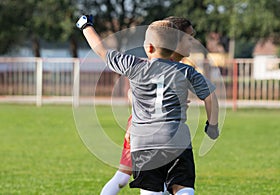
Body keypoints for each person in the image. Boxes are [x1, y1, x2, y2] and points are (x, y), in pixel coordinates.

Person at [76, 15, 219, 195]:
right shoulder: (186, 71)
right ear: (175, 47)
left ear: (149, 47)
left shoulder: (134, 66)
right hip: (177, 140)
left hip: (144, 143)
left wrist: (85, 25)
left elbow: (102, 51)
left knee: (151, 191)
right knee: (183, 187)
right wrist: (212, 126)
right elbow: (210, 97)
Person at [100, 16, 198, 195]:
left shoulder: (180, 68)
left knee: (167, 184)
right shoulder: (155, 65)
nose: (192, 42)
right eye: (189, 37)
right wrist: (131, 126)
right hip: (144, 132)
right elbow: (133, 95)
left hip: (158, 135)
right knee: (123, 177)